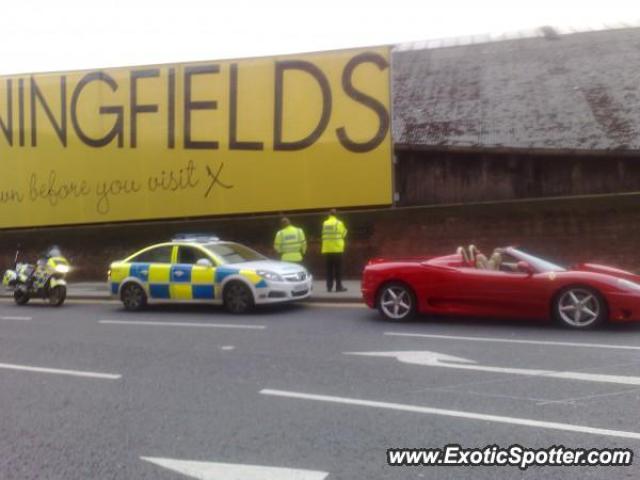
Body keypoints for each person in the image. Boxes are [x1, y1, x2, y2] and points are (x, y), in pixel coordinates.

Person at [321, 208, 348, 292]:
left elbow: (323, 234)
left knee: (329, 269)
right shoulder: (339, 223)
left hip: (327, 249)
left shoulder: (325, 223)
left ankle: (329, 287)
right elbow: (344, 234)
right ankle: (338, 287)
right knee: (338, 269)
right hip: (337, 249)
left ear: (329, 215)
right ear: (336, 215)